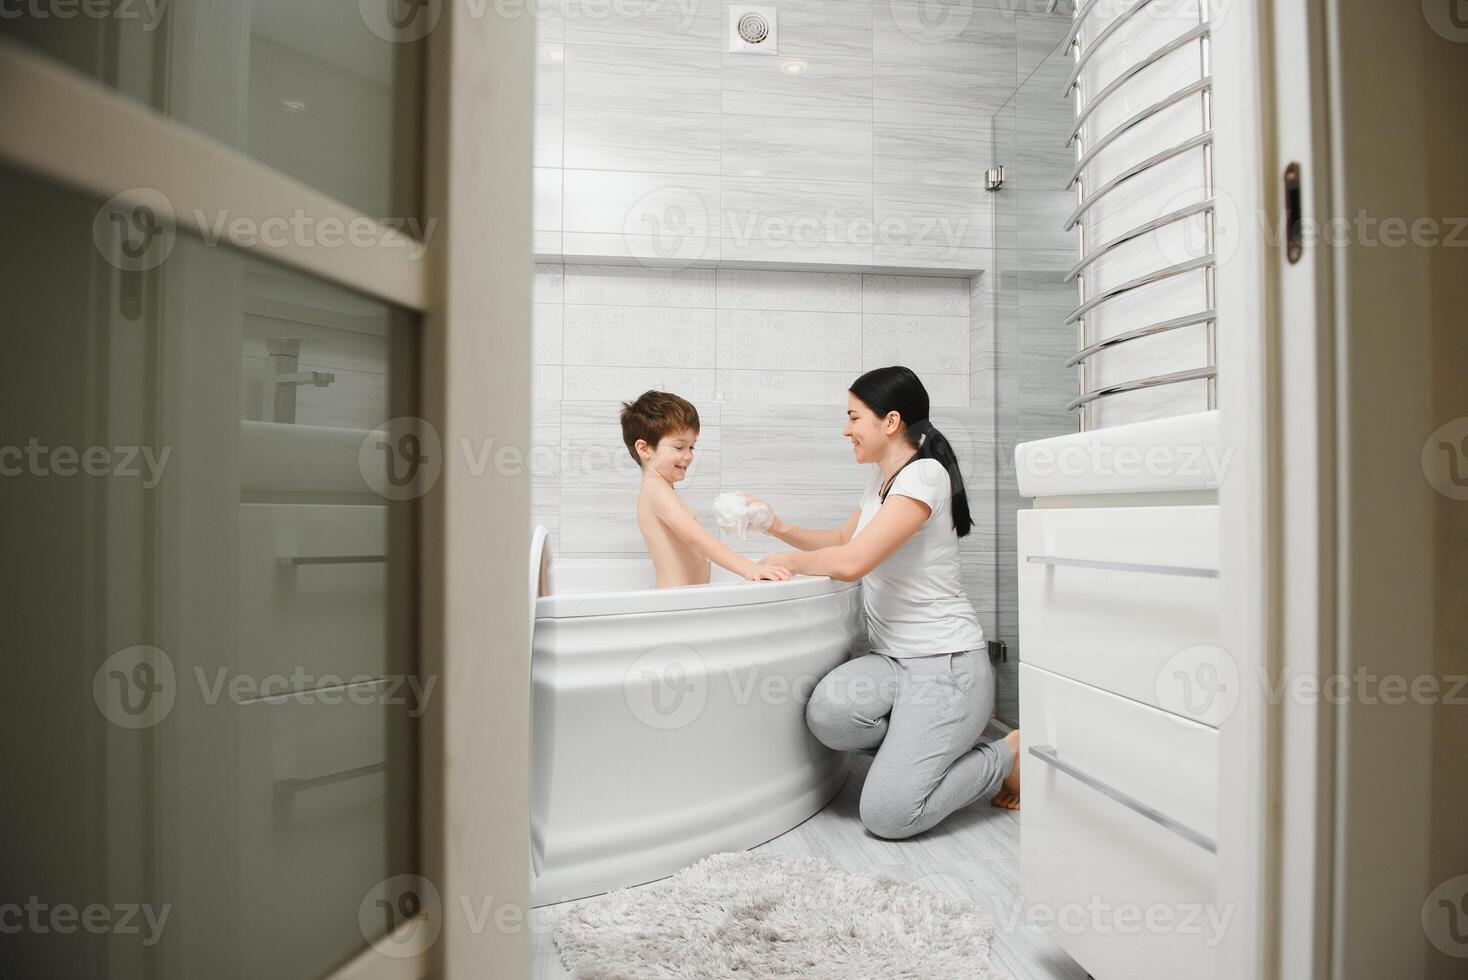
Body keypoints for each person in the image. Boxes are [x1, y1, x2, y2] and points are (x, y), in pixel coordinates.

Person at [748, 366, 1022, 838]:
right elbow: (841, 538)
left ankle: (1008, 754)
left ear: (890, 421)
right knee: (830, 716)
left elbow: (852, 560)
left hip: (946, 667)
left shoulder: (924, 476)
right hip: (895, 664)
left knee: (888, 817)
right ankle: (918, 754)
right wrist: (774, 524)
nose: (845, 429)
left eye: (854, 417)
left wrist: (788, 560)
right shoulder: (884, 477)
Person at [619, 390, 792, 589]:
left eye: (691, 447)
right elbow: (695, 538)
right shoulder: (658, 493)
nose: (689, 456)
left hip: (682, 601)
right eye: (679, 447)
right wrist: (748, 568)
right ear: (644, 448)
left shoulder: (660, 490)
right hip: (673, 604)